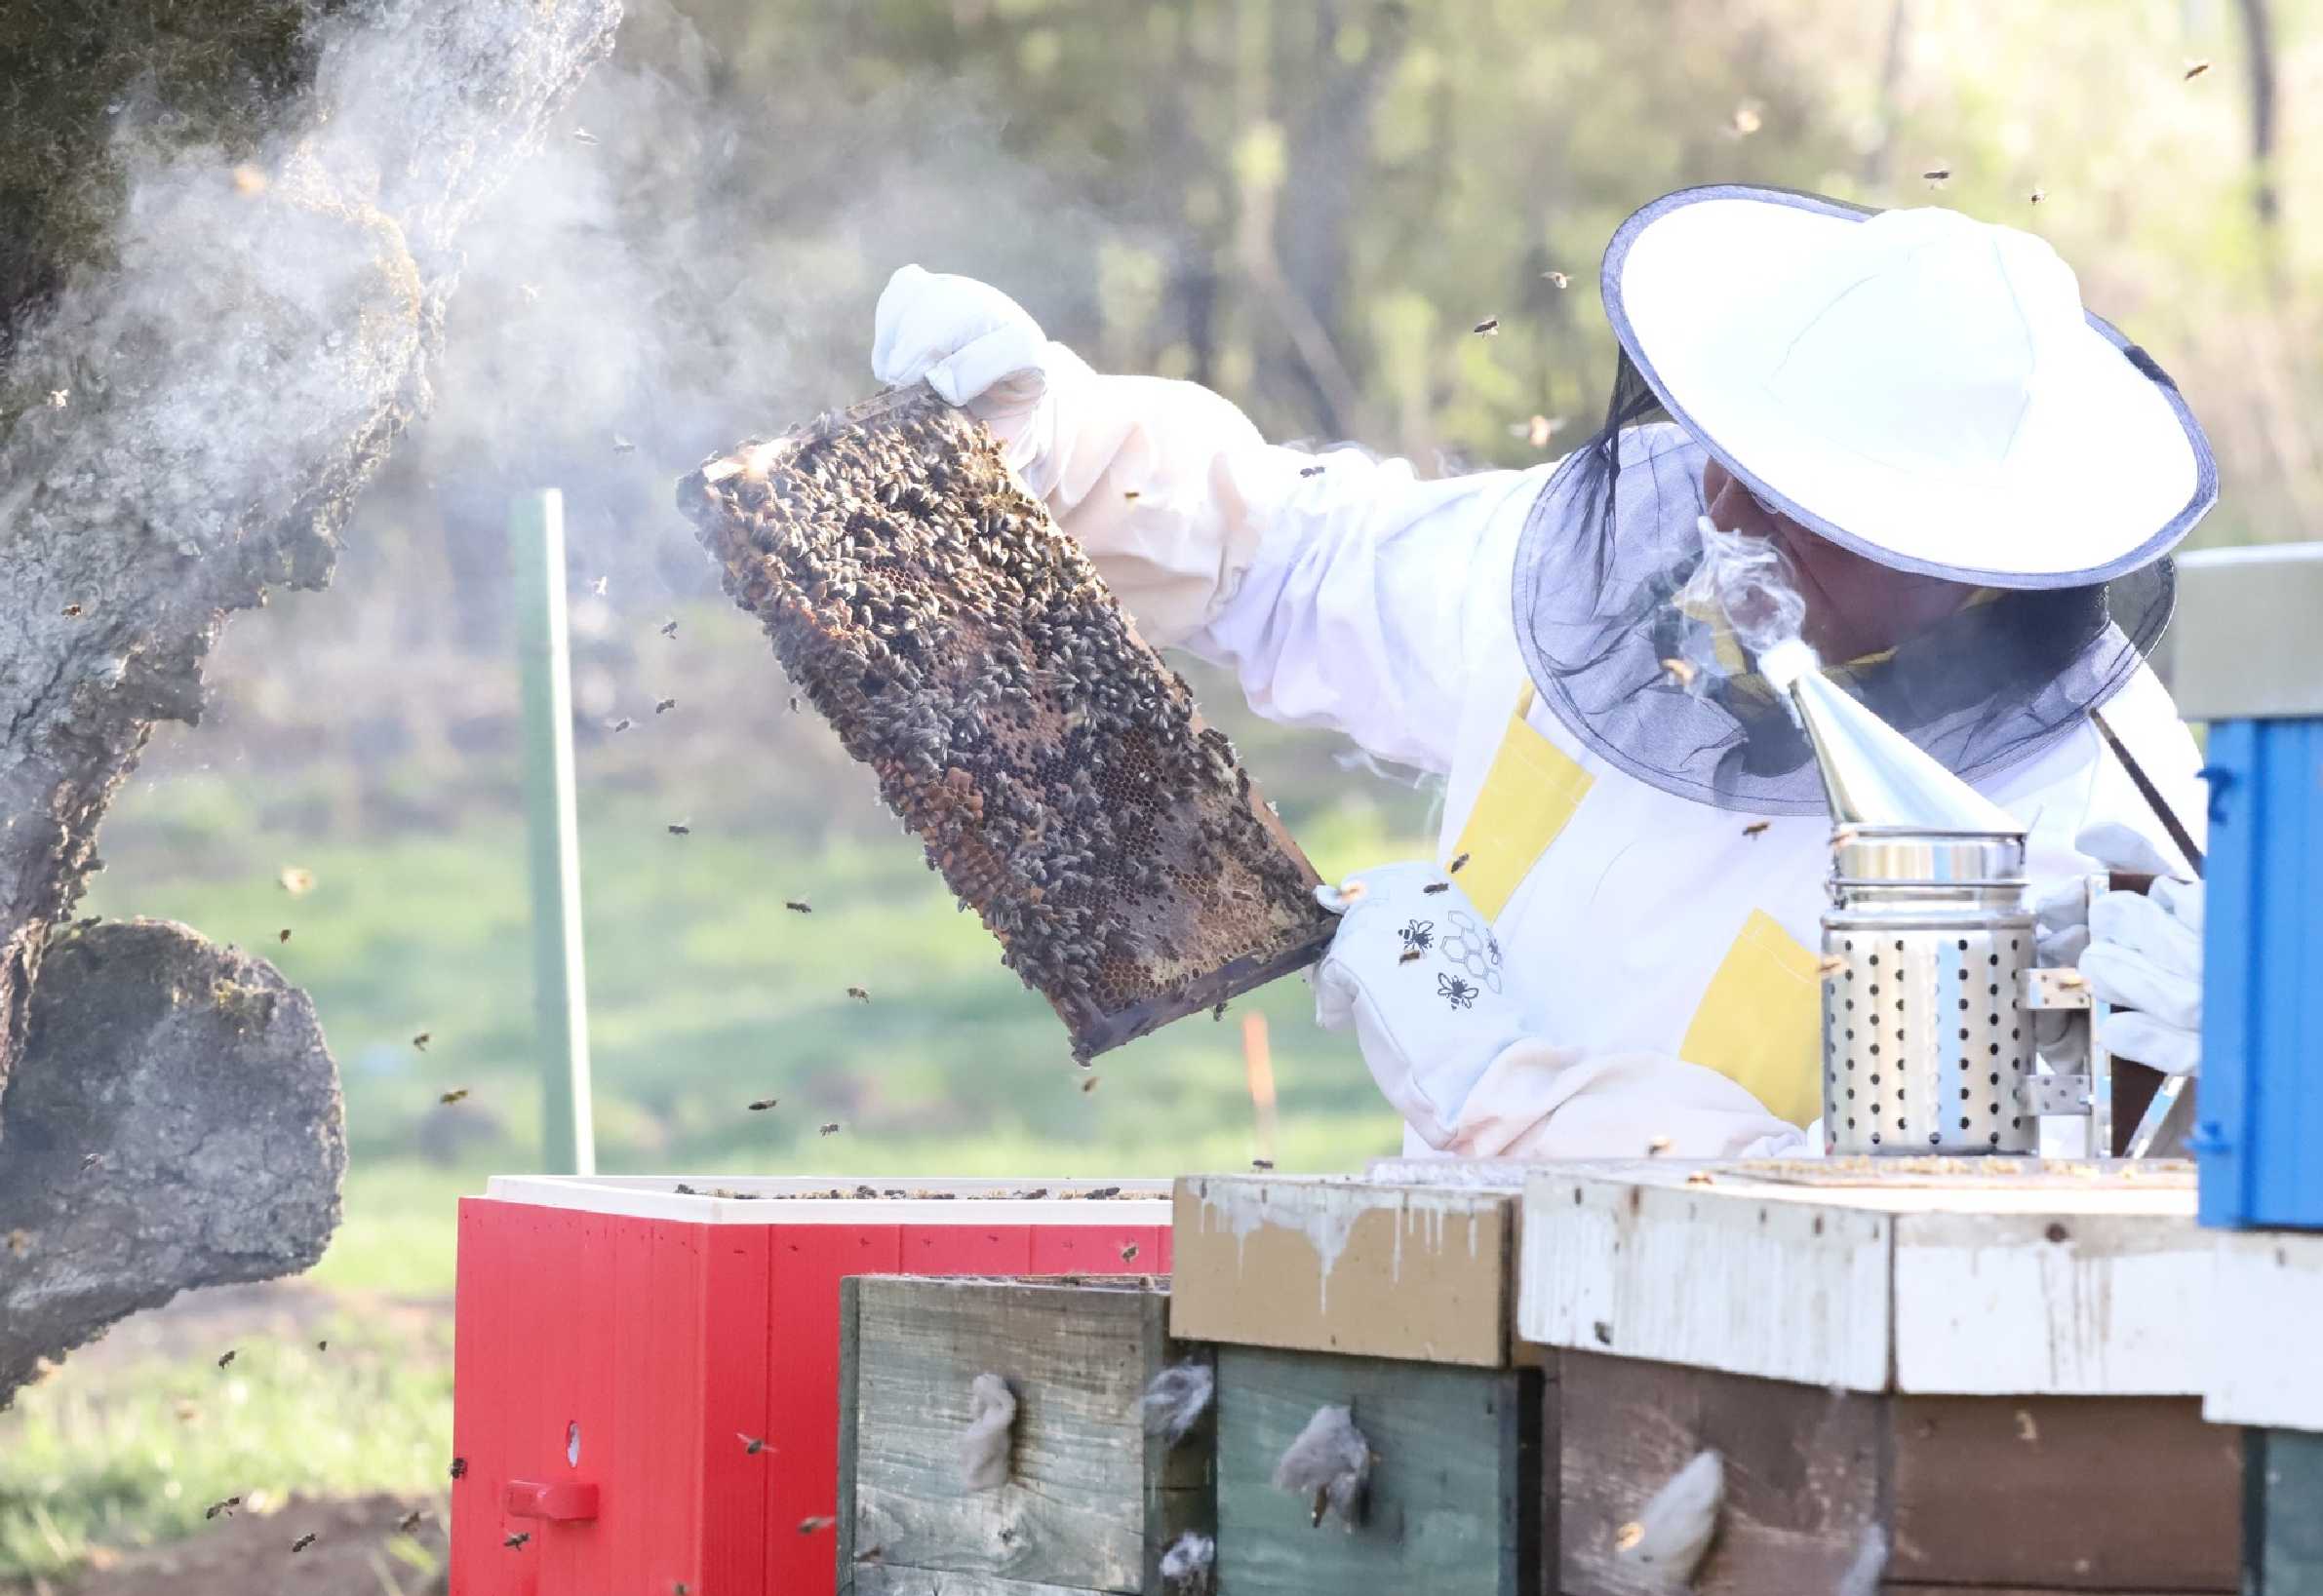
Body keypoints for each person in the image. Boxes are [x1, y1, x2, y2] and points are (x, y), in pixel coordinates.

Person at [870, 182, 2210, 1161]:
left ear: (1976, 554)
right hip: (1451, 1349)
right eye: (1722, 452)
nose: (1726, 516)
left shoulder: (2086, 848)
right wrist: (1054, 443)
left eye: (1801, 499)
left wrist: (1497, 1087)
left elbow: (1913, 1246)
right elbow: (1287, 556)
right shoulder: (1598, 577)